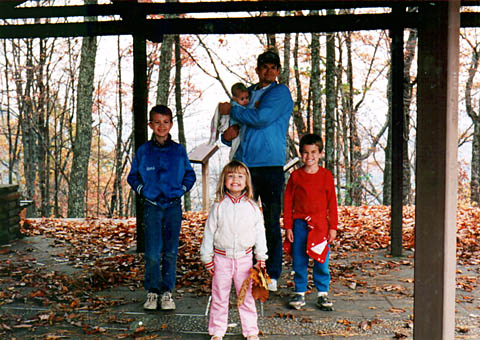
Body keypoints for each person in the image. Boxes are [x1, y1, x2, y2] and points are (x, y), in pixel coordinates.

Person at [218, 50, 293, 291]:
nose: (268, 71)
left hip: (269, 165)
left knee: (270, 220)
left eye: (273, 67)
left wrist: (232, 109)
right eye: (264, 67)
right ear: (257, 69)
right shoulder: (247, 93)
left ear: (278, 71)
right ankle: (244, 270)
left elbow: (261, 118)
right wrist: (226, 137)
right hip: (244, 166)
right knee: (241, 221)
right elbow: (236, 127)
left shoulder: (280, 93)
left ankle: (271, 274)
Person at [127, 105, 196, 311]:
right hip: (152, 207)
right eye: (157, 122)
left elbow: (189, 175)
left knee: (170, 251)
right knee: (153, 252)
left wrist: (180, 190)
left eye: (165, 122)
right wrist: (144, 191)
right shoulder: (144, 151)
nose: (161, 126)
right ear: (150, 125)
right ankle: (152, 291)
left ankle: (167, 292)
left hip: (173, 207)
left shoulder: (178, 150)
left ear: (171, 124)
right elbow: (133, 176)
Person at [200, 160, 267, 340]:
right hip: (222, 259)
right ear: (224, 181)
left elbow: (260, 232)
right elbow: (209, 233)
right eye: (230, 176)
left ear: (247, 181)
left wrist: (261, 256)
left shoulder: (252, 207)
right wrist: (207, 257)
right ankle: (217, 330)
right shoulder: (218, 207)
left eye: (240, 176)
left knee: (246, 296)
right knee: (219, 295)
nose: (235, 180)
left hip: (245, 259)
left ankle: (251, 330)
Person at [283, 133, 338, 311]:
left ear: (320, 153)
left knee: (321, 259)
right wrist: (288, 226)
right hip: (300, 224)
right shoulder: (296, 177)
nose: (309, 156)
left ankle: (322, 293)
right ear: (300, 154)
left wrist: (333, 227)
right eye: (305, 152)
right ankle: (300, 291)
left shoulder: (326, 176)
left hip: (320, 226)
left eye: (314, 152)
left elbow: (332, 204)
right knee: (299, 257)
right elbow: (288, 203)